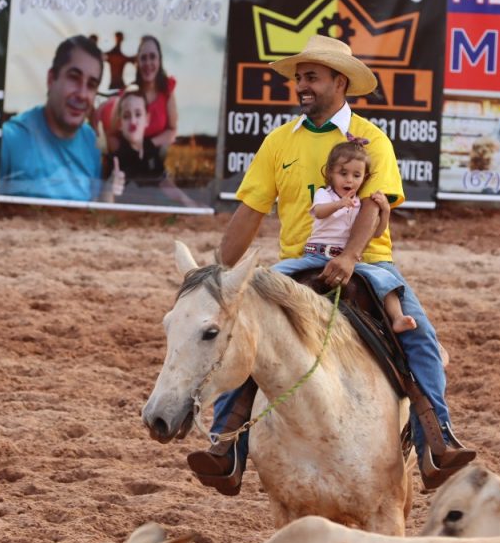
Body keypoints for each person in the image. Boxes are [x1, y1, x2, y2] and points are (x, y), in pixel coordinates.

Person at [186, 34, 475, 495]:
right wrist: (218, 275)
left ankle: (435, 441)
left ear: (340, 82)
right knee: (245, 331)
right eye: (299, 77)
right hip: (297, 265)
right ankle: (226, 446)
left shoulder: (371, 139)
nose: (301, 85)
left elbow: (377, 207)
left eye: (312, 77)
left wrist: (350, 256)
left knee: (418, 335)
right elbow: (250, 212)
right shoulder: (279, 142)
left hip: (367, 264)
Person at [0, 35, 123, 202]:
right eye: (74, 77)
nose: (82, 94)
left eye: (91, 85)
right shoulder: (10, 140)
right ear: (51, 79)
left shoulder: (91, 142)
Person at [309, 139, 416, 334]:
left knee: (386, 279)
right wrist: (339, 204)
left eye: (356, 175)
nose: (349, 180)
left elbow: (376, 233)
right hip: (315, 255)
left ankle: (398, 317)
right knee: (277, 273)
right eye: (343, 174)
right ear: (330, 173)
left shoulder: (359, 204)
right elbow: (319, 212)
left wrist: (385, 211)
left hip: (347, 260)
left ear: (364, 178)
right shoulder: (325, 194)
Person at [104, 88, 201, 208]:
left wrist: (188, 202)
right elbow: (106, 203)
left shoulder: (150, 150)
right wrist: (110, 189)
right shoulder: (116, 159)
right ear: (120, 124)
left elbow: (163, 182)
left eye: (138, 114)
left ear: (147, 120)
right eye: (126, 116)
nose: (133, 121)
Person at [99, 35, 179, 154]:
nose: (148, 63)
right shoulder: (128, 93)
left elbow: (172, 130)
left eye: (152, 57)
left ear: (159, 60)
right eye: (143, 58)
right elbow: (111, 134)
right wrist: (126, 155)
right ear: (137, 62)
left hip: (154, 156)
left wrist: (149, 145)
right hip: (129, 159)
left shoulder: (166, 89)